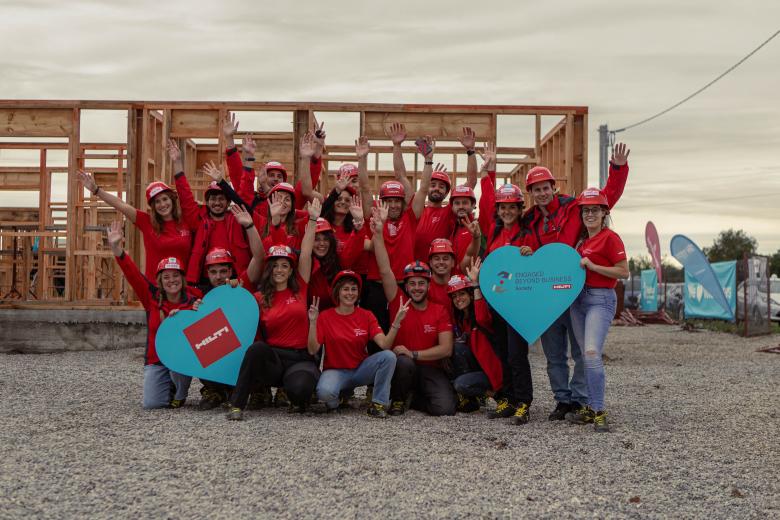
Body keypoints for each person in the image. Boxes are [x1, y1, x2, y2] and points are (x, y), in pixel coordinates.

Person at [521, 143, 630, 421]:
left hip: (575, 293)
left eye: (546, 187)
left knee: (582, 351)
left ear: (553, 188)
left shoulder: (573, 208)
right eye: (536, 189)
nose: (542, 193)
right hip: (548, 297)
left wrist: (617, 169)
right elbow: (529, 254)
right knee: (554, 354)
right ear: (531, 194)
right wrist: (527, 252)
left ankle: (582, 400)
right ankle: (562, 400)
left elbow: (608, 198)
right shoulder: (530, 220)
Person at [225, 199, 321, 420]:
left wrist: (313, 220)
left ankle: (291, 393)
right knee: (256, 349)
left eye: (285, 265)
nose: (279, 269)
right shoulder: (259, 298)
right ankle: (237, 405)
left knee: (301, 390)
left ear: (291, 270)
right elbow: (234, 307)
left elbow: (305, 254)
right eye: (275, 265)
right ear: (269, 269)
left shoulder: (300, 289)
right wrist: (227, 291)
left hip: (300, 359)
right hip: (274, 359)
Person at [106, 221, 201, 409]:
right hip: (156, 360)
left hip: (182, 358)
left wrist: (188, 313)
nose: (171, 280)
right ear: (160, 280)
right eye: (166, 277)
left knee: (177, 360)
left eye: (175, 276)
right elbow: (132, 273)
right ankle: (171, 387)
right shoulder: (151, 297)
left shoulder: (194, 299)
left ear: (182, 278)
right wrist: (117, 249)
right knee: (152, 404)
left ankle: (180, 392)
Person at [372, 204, 456, 416]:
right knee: (403, 362)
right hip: (403, 366)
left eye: (421, 283)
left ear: (429, 285)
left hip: (429, 367)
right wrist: (378, 233)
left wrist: (415, 353)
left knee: (445, 409)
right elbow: (384, 268)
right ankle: (398, 399)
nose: (417, 288)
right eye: (412, 284)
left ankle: (416, 398)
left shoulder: (439, 310)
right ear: (406, 286)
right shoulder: (397, 299)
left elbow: (446, 349)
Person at [565, 188, 629, 432]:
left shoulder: (610, 238)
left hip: (599, 299)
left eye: (595, 210)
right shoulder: (582, 242)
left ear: (604, 213)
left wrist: (593, 265)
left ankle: (599, 410)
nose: (589, 214)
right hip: (578, 301)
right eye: (585, 210)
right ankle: (590, 408)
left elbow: (623, 271)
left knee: (592, 354)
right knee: (583, 355)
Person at [307, 270, 410, 418]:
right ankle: (339, 398)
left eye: (354, 289)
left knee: (388, 356)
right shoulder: (325, 316)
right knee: (325, 393)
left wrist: (396, 322)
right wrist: (312, 323)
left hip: (361, 369)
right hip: (336, 371)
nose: (350, 293)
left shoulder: (366, 315)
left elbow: (385, 345)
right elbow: (312, 350)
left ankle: (378, 403)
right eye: (345, 289)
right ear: (338, 292)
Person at [357, 135, 432, 332]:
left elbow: (423, 188)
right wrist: (362, 158)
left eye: (397, 200)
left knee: (405, 330)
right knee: (376, 333)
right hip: (375, 286)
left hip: (403, 286)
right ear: (382, 201)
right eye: (388, 200)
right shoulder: (373, 216)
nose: (393, 205)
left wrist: (428, 159)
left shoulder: (410, 218)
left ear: (403, 202)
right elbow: (364, 188)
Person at [195, 204, 265, 411]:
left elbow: (259, 257)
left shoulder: (242, 283)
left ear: (231, 270)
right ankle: (216, 389)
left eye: (223, 270)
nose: (219, 276)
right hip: (222, 351)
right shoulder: (204, 296)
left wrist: (250, 226)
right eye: (213, 272)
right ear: (207, 274)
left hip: (245, 352)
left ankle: (257, 388)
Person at [78, 170, 195, 280]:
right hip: (156, 290)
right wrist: (96, 190)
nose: (162, 204)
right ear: (153, 206)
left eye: (165, 199)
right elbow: (121, 205)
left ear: (172, 200)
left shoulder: (186, 221)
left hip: (182, 287)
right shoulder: (147, 222)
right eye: (157, 202)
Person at [386, 123, 478, 261]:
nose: (436, 188)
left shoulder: (448, 212)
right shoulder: (416, 208)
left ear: (447, 193)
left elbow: (471, 183)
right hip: (414, 272)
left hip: (438, 270)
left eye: (442, 186)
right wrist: (397, 146)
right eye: (433, 184)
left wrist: (471, 151)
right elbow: (400, 176)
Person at [166, 141, 251, 288]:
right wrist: (177, 163)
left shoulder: (238, 219)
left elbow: (245, 200)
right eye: (213, 199)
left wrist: (248, 158)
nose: (217, 203)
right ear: (207, 201)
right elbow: (185, 196)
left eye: (221, 198)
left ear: (228, 201)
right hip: (205, 283)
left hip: (236, 282)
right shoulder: (198, 220)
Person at [222, 114, 324, 214]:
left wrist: (318, 149)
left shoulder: (292, 202)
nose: (276, 179)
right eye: (271, 175)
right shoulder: (251, 199)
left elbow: (308, 180)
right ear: (262, 177)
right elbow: (237, 175)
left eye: (279, 176)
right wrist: (229, 140)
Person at [447, 260, 503, 413]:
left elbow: (482, 318)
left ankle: (497, 395)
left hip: (492, 370)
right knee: (456, 347)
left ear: (470, 295)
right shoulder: (461, 319)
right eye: (454, 296)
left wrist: (475, 284)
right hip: (479, 367)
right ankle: (472, 399)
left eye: (462, 294)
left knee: (460, 384)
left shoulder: (480, 314)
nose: (458, 299)